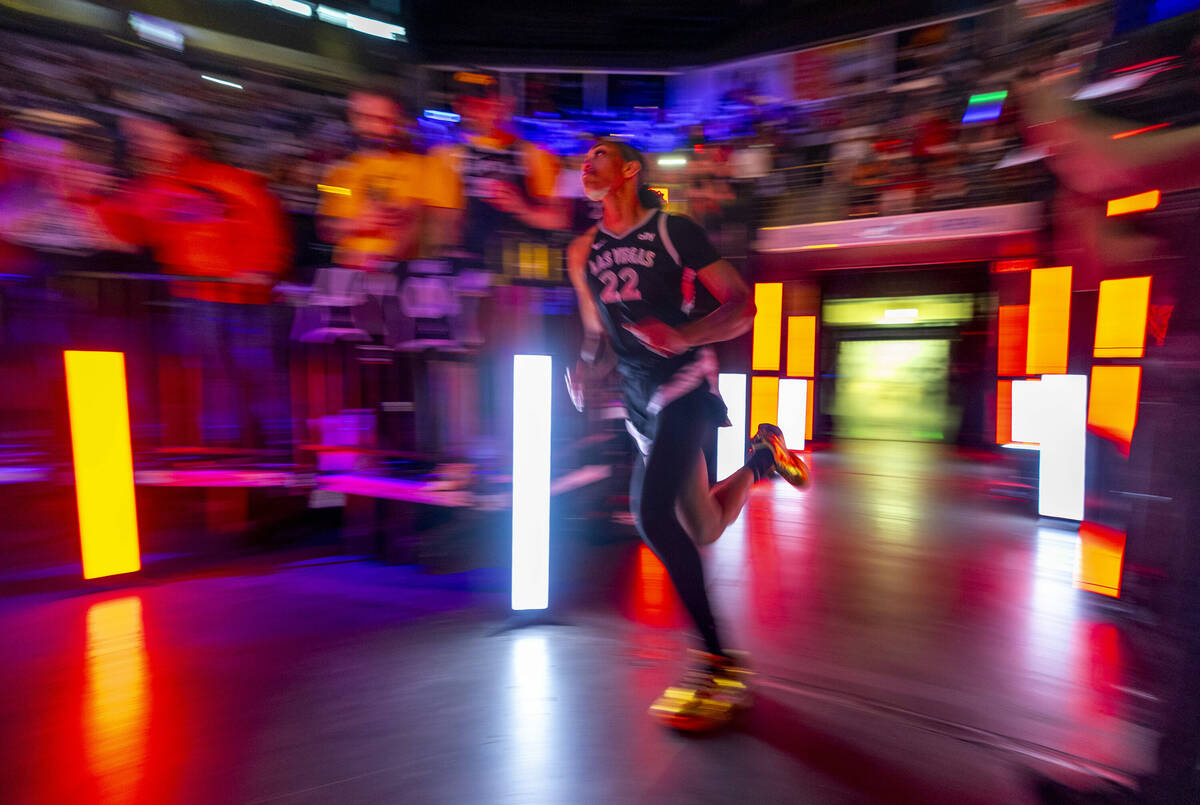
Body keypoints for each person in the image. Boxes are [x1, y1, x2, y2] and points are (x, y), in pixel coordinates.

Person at [565, 139, 810, 731]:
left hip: (686, 384)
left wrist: (683, 336)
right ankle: (762, 457)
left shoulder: (674, 233)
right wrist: (585, 368)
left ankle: (719, 663)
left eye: (598, 154)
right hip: (638, 403)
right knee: (701, 525)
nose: (585, 162)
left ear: (628, 170)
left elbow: (742, 307)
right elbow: (598, 336)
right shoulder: (582, 252)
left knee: (651, 516)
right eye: (584, 157)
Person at [109, 114, 291, 449]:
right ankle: (227, 450)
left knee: (258, 374)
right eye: (140, 140)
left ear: (183, 141)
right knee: (212, 376)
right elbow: (124, 231)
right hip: (195, 297)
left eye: (155, 137)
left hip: (244, 297)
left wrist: (262, 270)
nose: (146, 145)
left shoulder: (225, 179)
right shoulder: (148, 188)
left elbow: (262, 219)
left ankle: (280, 448)